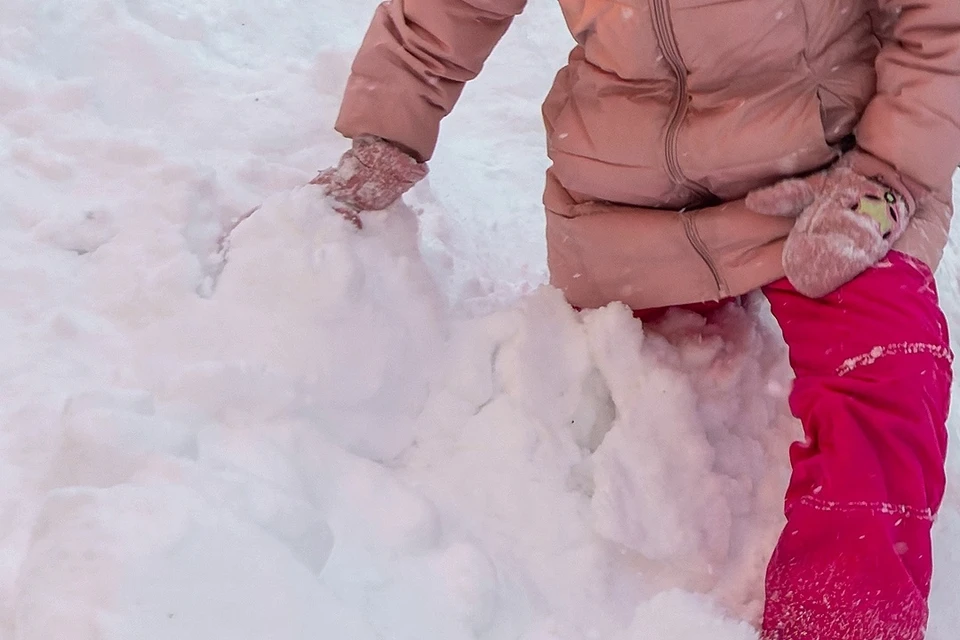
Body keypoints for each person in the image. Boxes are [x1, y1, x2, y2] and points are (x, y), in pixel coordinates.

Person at [314, 2, 960, 638]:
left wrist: (885, 177)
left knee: (887, 373)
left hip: (829, 180)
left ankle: (841, 626)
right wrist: (385, 133)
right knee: (598, 384)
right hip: (631, 197)